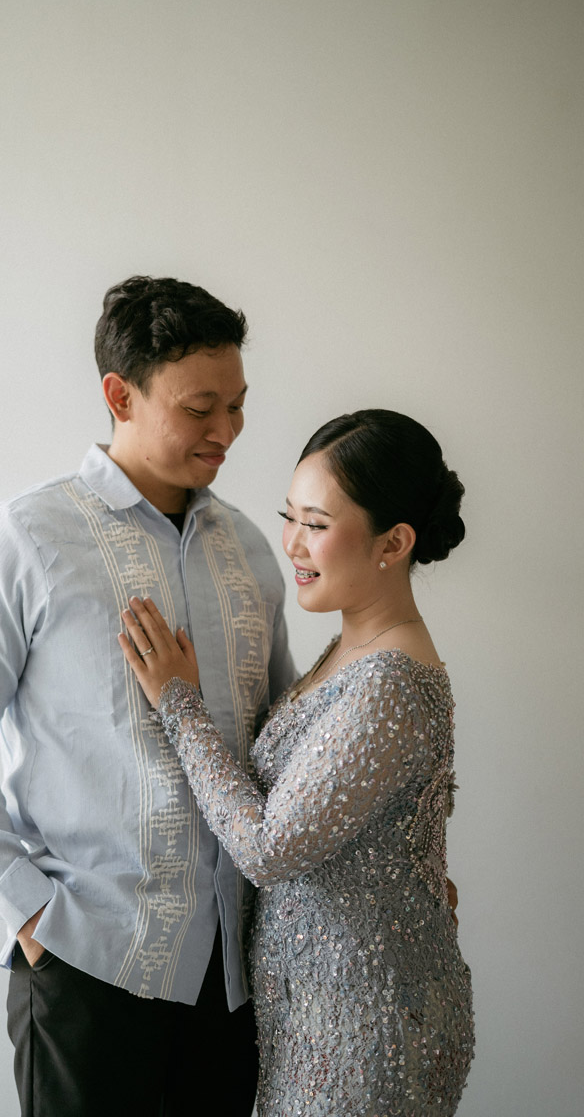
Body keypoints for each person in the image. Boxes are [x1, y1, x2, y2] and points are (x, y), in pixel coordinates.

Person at [0, 275, 294, 1116]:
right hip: (86, 965)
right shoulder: (25, 537)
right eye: (200, 409)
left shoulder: (251, 551)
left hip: (236, 982)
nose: (227, 431)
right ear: (120, 396)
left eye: (238, 406)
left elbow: (283, 744)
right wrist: (30, 919)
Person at [120, 409, 475, 1116]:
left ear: (394, 542)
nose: (292, 542)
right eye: (290, 516)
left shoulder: (388, 681)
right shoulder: (353, 647)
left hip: (365, 1032)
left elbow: (268, 847)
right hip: (320, 1015)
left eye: (316, 523)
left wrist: (179, 705)